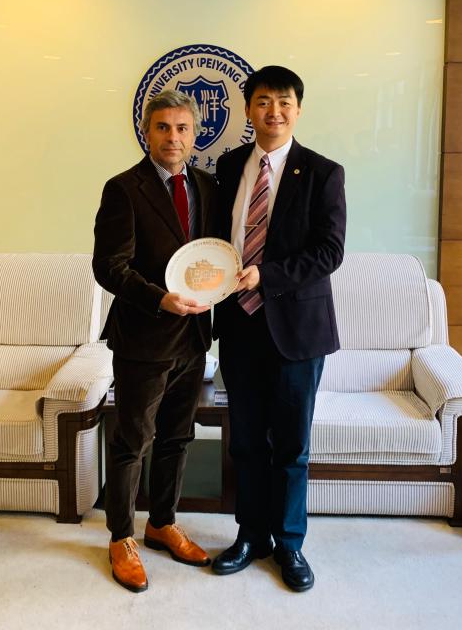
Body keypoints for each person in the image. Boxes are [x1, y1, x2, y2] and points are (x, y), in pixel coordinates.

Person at [211, 65, 346, 592]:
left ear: (298, 110)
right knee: (245, 441)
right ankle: (250, 535)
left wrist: (266, 275)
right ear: (249, 109)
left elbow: (329, 252)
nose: (274, 111)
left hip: (297, 330)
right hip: (239, 324)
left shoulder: (322, 172)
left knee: (291, 446)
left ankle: (290, 544)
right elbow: (215, 239)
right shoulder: (228, 167)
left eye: (285, 102)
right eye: (264, 101)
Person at [92, 89, 217, 593]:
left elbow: (212, 254)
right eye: (163, 127)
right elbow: (109, 266)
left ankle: (162, 523)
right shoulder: (124, 188)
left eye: (182, 128)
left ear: (194, 134)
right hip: (144, 336)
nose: (173, 137)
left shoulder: (206, 186)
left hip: (195, 335)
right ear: (147, 132)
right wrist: (159, 299)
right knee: (132, 441)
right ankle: (121, 536)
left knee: (178, 436)